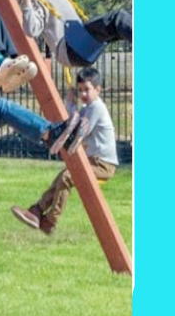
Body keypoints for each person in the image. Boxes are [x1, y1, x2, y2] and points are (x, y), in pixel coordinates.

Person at [12, 67, 120, 235]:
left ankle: (50, 221)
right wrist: (69, 103)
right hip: (92, 160)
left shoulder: (97, 108)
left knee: (67, 177)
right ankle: (36, 211)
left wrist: (71, 108)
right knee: (61, 178)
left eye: (87, 90)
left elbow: (79, 132)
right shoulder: (87, 108)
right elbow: (72, 123)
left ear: (98, 90)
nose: (83, 94)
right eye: (80, 90)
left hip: (104, 164)